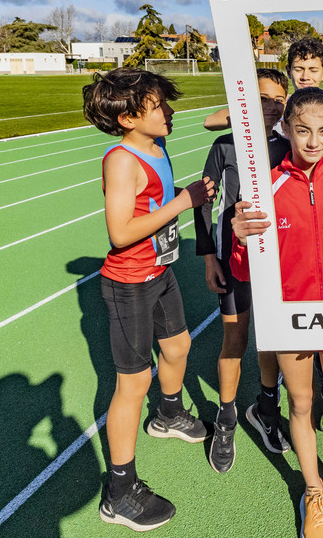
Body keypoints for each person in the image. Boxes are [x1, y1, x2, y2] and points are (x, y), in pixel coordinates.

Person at [230, 87, 323, 538]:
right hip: (289, 320)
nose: (312, 141)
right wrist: (239, 239)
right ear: (286, 129)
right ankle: (314, 492)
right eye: (302, 131)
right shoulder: (267, 186)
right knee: (300, 404)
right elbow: (246, 268)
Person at [81, 68, 214, 531]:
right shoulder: (121, 160)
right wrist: (183, 201)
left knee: (178, 348)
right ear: (127, 119)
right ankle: (119, 492)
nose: (168, 111)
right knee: (132, 383)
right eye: (157, 106)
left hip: (160, 272)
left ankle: (170, 414)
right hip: (129, 283)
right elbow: (119, 233)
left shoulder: (157, 145)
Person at [194, 69, 293, 474]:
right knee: (234, 336)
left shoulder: (291, 145)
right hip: (232, 258)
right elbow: (203, 201)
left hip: (278, 259)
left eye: (276, 100)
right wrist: (207, 257)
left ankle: (266, 407)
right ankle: (226, 417)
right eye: (260, 98)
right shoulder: (223, 146)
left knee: (270, 336)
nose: (268, 106)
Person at [203, 37, 323, 131]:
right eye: (298, 69)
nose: (305, 77)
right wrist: (256, 110)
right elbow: (210, 122)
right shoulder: (278, 104)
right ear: (288, 71)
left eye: (313, 70)